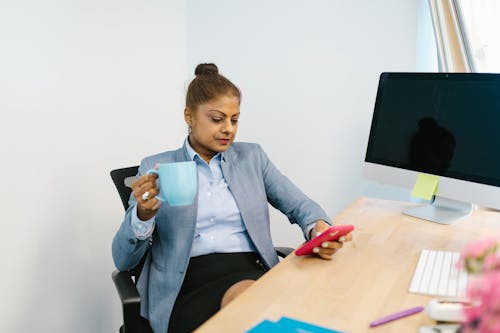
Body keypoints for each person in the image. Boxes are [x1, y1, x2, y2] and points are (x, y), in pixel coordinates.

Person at [112, 63, 353, 333]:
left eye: (234, 119)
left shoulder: (252, 158)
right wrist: (143, 216)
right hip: (183, 284)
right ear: (189, 116)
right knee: (256, 307)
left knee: (264, 302)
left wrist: (317, 227)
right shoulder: (157, 167)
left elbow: (299, 204)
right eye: (217, 119)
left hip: (249, 269)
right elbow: (123, 261)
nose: (229, 129)